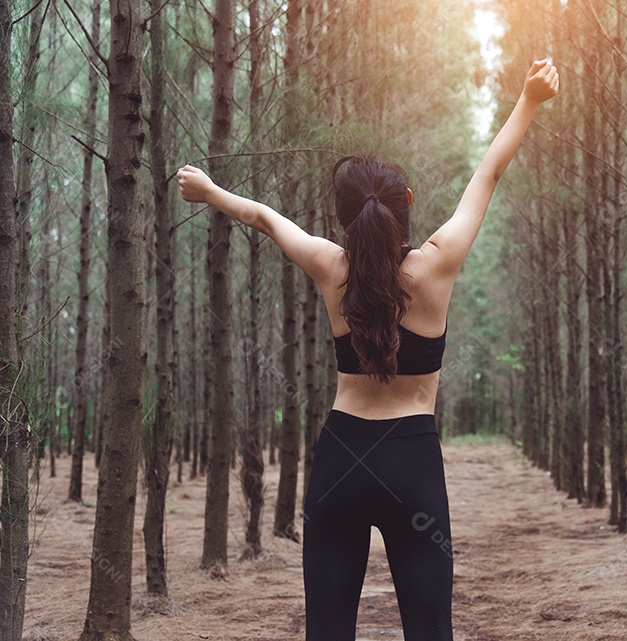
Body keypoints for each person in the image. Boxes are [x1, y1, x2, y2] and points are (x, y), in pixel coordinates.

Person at [177, 58, 559, 641]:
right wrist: (529, 99)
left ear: (343, 219)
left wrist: (209, 191)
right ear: (406, 201)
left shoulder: (331, 267)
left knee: (328, 632)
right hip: (413, 465)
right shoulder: (438, 264)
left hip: (340, 461)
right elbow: (489, 173)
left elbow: (260, 216)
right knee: (429, 632)